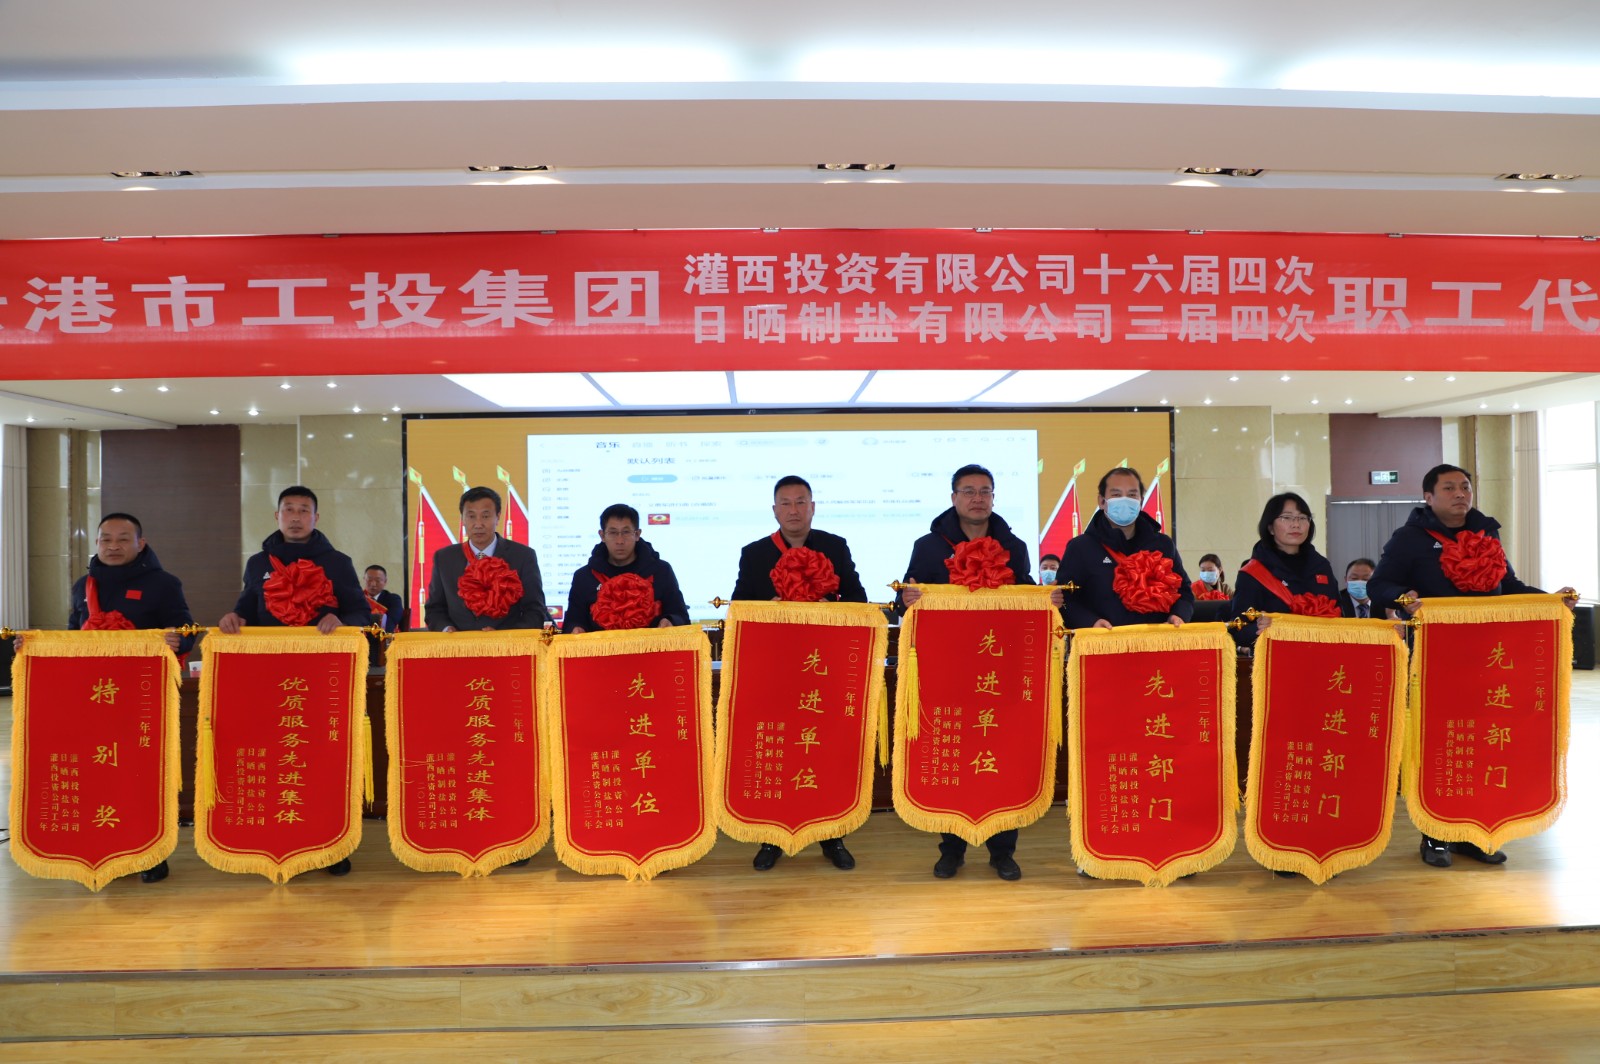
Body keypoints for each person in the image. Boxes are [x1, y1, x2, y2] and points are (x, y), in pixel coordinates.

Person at [1368, 463, 1572, 870]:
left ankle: (1473, 833)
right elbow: (1379, 585)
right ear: (1428, 496)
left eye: (1465, 487)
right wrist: (1405, 598)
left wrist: (1551, 599)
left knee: (1480, 745)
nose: (1460, 494)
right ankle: (1435, 834)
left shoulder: (1486, 533)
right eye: (1449, 488)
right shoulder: (1410, 539)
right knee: (1440, 745)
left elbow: (1508, 587)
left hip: (1489, 658)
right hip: (1437, 660)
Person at [899, 463, 1063, 882]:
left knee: (1002, 753)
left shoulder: (1013, 545)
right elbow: (907, 595)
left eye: (985, 491)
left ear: (993, 497)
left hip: (999, 670)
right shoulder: (927, 546)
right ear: (953, 497)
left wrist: (1046, 600)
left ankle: (1003, 851)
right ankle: (951, 849)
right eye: (968, 491)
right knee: (955, 752)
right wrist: (908, 597)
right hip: (949, 671)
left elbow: (1024, 594)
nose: (977, 498)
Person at [219, 485, 370, 877]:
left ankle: (332, 844)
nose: (297, 516)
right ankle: (278, 834)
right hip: (269, 678)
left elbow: (361, 612)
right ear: (277, 516)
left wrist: (341, 619)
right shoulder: (258, 563)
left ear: (316, 518)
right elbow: (247, 607)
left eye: (305, 510)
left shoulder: (337, 562)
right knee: (277, 756)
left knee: (321, 758)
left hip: (321, 678)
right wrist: (234, 618)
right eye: (289, 509)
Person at [732, 475, 867, 873]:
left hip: (825, 668)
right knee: (780, 749)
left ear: (812, 507)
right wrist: (770, 605)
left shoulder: (834, 546)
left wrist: (830, 605)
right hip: (777, 669)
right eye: (786, 503)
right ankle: (772, 838)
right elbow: (739, 607)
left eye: (801, 502)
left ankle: (832, 836)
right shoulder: (755, 553)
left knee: (823, 750)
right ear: (775, 510)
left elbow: (858, 599)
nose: (794, 510)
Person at [65, 512, 196, 885]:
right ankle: (101, 847)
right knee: (97, 773)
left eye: (123, 538)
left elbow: (188, 628)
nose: (113, 546)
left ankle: (150, 854)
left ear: (141, 543)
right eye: (105, 539)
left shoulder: (163, 583)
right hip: (93, 698)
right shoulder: (83, 586)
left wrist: (177, 638)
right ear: (96, 543)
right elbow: (71, 634)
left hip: (141, 697)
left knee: (141, 776)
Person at [1059, 467, 1194, 630]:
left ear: (1141, 501)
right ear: (1102, 501)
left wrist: (1179, 615)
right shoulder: (1080, 548)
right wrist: (1090, 622)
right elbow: (1065, 599)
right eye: (1116, 495)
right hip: (1102, 642)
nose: (1125, 500)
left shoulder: (1163, 545)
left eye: (1132, 495)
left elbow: (1184, 592)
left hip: (1156, 639)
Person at [425, 486, 547, 632]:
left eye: (485, 516)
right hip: (458, 644)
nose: (478, 524)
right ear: (462, 519)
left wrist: (505, 636)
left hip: (506, 644)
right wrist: (447, 629)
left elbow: (535, 611)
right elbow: (434, 609)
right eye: (471, 516)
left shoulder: (523, 556)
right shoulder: (444, 558)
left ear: (498, 517)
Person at [1228, 493, 1341, 648]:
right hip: (1277, 656)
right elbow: (1237, 629)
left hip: (1324, 654)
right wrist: (1260, 628)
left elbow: (1340, 614)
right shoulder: (1253, 573)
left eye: (1302, 518)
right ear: (1270, 527)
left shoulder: (1322, 566)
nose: (1296, 524)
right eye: (1287, 517)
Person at [563, 504, 690, 633]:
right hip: (601, 646)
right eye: (613, 533)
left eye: (626, 532)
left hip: (652, 645)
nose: (620, 541)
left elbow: (681, 616)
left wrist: (671, 621)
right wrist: (575, 628)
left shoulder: (661, 571)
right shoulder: (584, 577)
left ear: (637, 534)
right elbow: (573, 620)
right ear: (602, 536)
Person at [364, 565, 408, 633]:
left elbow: (391, 622)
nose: (373, 584)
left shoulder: (393, 599)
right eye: (369, 580)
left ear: (385, 581)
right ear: (364, 579)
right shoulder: (358, 598)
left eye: (378, 580)